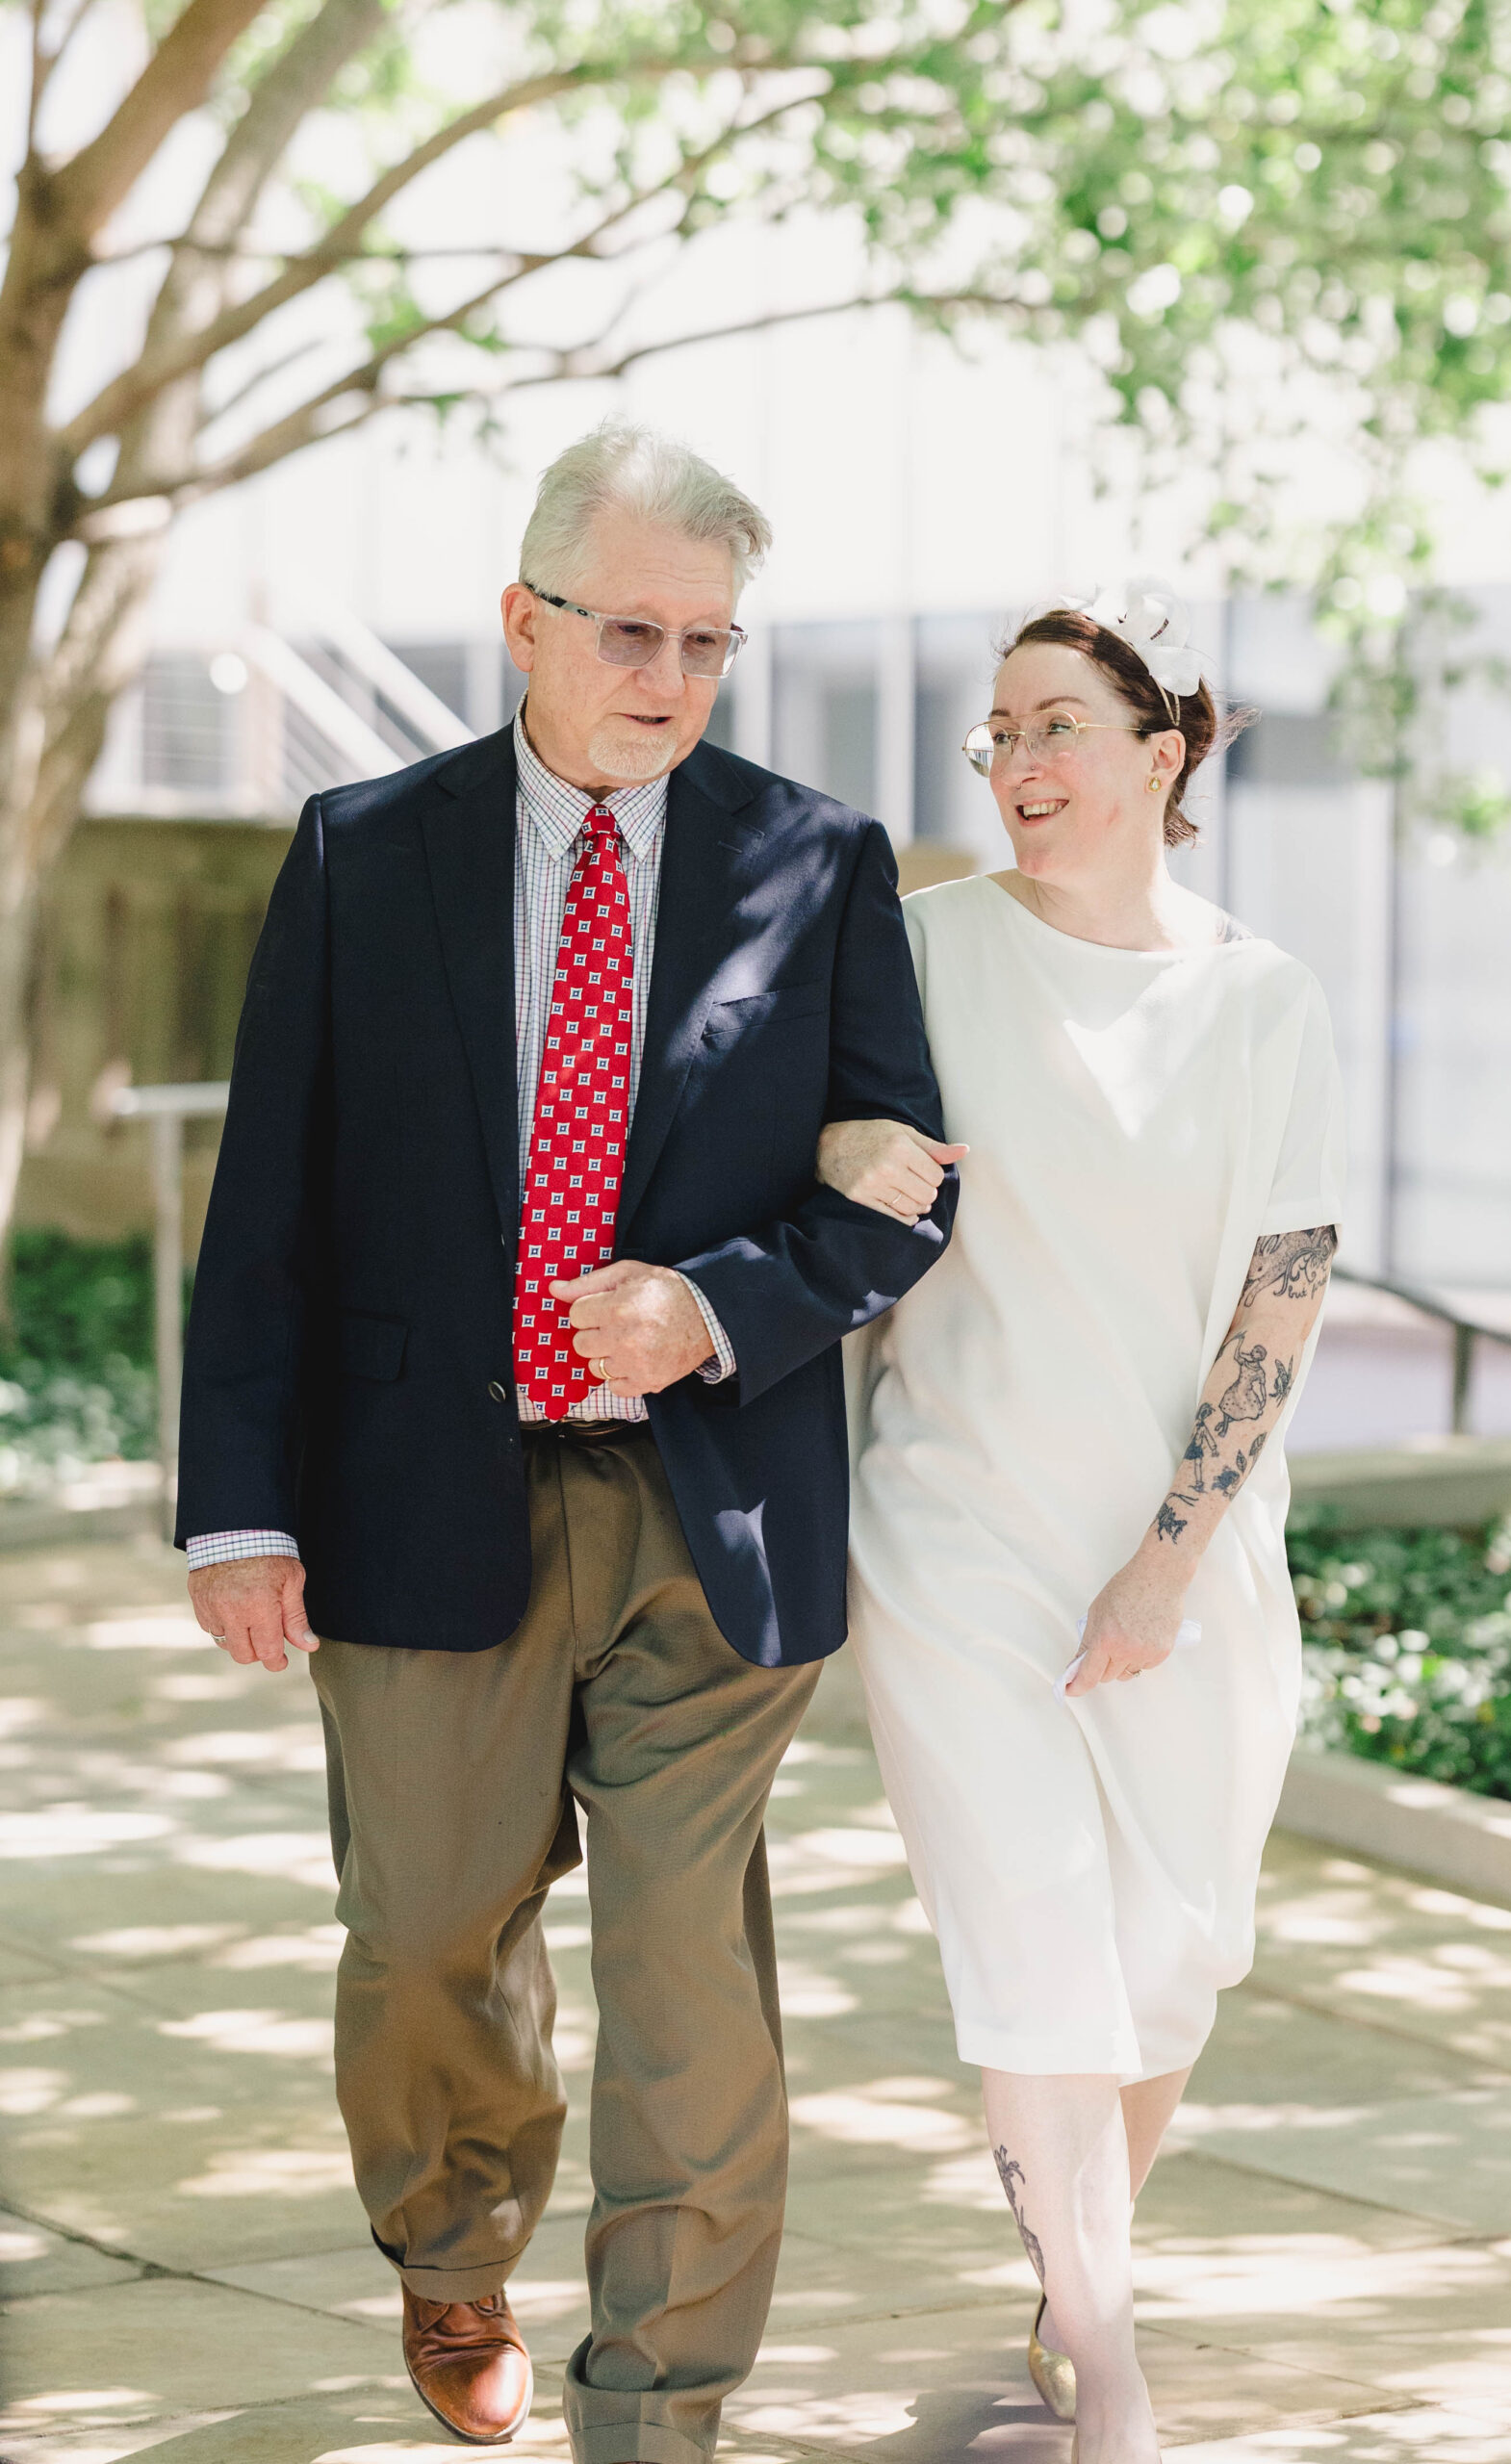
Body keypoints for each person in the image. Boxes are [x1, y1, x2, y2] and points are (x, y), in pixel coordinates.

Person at [177, 419, 959, 2459]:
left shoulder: (817, 857)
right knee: (431, 1927)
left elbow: (893, 1182)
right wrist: (237, 1508)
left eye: (709, 642)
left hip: (720, 1509)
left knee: (687, 1974)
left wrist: (719, 1303)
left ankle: (662, 2393)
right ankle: (453, 2249)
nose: (672, 679)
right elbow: (268, 1203)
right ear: (523, 620)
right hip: (424, 1489)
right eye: (631, 629)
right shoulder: (365, 849)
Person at [821, 590, 1345, 2464]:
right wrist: (833, 1151)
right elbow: (788, 1139)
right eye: (999, 735)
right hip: (955, 1523)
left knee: (1167, 1948)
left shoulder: (1260, 996)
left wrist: (1168, 1556)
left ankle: (1067, 2276)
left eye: (1058, 726)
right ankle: (1107, 2352)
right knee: (1033, 1925)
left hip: (1183, 1555)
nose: (1020, 767)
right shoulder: (914, 946)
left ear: (1160, 748)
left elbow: (1280, 1290)